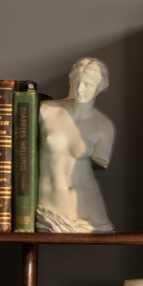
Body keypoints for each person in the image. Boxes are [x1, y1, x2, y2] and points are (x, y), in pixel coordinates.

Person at [37, 55, 114, 232]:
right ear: (71, 81)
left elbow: (101, 162)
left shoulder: (104, 126)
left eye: (88, 85)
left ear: (100, 87)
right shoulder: (46, 110)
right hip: (49, 205)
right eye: (76, 82)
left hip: (87, 208)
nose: (80, 89)